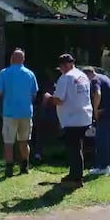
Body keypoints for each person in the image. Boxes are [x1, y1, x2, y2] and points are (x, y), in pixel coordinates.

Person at [42, 54, 93, 189]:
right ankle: (74, 174)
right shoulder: (82, 76)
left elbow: (59, 100)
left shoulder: (66, 78)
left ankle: (76, 178)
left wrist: (48, 98)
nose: (61, 70)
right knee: (77, 148)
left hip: (72, 118)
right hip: (84, 116)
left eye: (61, 67)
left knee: (73, 149)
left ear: (65, 65)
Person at [0, 48, 40, 177]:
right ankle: (24, 166)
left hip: (9, 112)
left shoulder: (4, 73)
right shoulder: (30, 74)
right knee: (24, 141)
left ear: (11, 59)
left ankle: (9, 168)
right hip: (26, 112)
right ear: (23, 60)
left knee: (8, 142)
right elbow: (34, 93)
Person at [83, 66, 110, 176]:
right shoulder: (105, 78)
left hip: (104, 115)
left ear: (87, 75)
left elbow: (98, 93)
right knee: (109, 141)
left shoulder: (95, 81)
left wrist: (95, 110)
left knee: (101, 141)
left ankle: (103, 167)